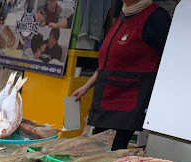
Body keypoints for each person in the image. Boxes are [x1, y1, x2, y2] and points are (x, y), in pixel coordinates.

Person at [72, 0, 171, 150]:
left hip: (128, 100)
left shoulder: (157, 17)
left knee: (115, 152)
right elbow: (110, 62)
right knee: (97, 149)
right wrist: (86, 87)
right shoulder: (124, 13)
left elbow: (167, 60)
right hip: (105, 96)